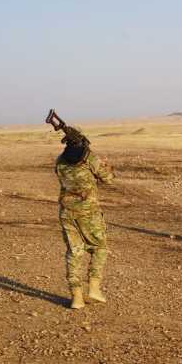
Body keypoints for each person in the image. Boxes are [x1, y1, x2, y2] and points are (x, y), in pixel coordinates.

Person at [55, 125, 114, 309]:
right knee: (100, 247)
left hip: (67, 213)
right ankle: (94, 289)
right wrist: (106, 166)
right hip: (89, 212)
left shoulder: (60, 161)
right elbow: (108, 178)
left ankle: (77, 298)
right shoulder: (90, 159)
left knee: (74, 252)